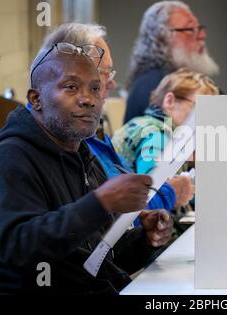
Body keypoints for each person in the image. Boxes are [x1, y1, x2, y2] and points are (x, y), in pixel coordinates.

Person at [0, 43, 173, 294]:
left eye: (95, 88)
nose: (88, 99)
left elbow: (95, 260)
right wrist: (100, 203)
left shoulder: (82, 155)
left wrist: (145, 240)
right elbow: (18, 249)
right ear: (36, 99)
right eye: (71, 87)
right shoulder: (8, 161)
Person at [39, 23, 194, 213]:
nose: (111, 83)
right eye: (104, 73)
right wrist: (170, 193)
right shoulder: (72, 139)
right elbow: (118, 212)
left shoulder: (90, 135)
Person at [124, 0, 219, 124]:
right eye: (190, 29)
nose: (202, 35)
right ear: (162, 37)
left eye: (199, 28)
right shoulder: (154, 84)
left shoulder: (176, 78)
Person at [112, 68, 219, 175]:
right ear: (170, 101)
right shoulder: (156, 135)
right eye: (198, 107)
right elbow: (154, 186)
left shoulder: (145, 124)